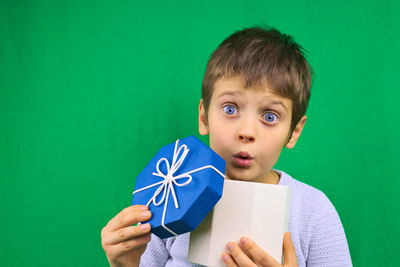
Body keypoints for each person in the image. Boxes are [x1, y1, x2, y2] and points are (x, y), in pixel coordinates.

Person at [101, 26, 352, 267]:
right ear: (203, 117)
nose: (246, 132)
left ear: (294, 132)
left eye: (270, 116)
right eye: (230, 109)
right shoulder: (170, 196)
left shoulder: (312, 211)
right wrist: (126, 265)